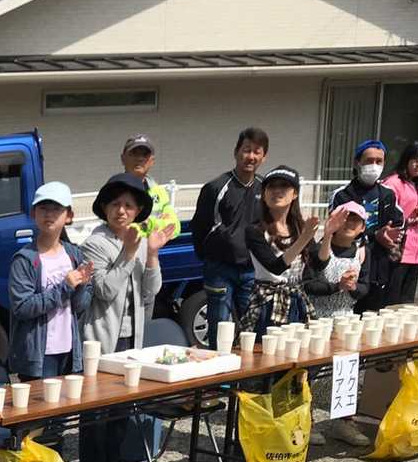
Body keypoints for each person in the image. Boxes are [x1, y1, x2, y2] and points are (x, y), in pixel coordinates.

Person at [80, 172, 171, 462]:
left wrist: (152, 254)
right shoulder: (94, 243)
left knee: (121, 410)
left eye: (129, 205)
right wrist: (129, 253)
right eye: (115, 204)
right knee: (96, 413)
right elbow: (104, 290)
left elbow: (151, 292)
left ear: (138, 211)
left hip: (133, 340)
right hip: (102, 341)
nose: (122, 210)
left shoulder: (142, 241)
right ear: (104, 208)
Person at [8, 180, 95, 462]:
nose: (49, 214)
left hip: (67, 352)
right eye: (43, 208)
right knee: (34, 428)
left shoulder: (74, 254)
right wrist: (66, 286)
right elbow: (23, 307)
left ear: (68, 216)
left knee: (59, 426)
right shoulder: (25, 259)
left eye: (56, 209)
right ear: (33, 214)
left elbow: (81, 308)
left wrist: (83, 286)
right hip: (36, 356)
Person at [191, 127, 268, 341]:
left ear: (264, 157)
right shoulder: (216, 187)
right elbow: (199, 228)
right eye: (246, 150)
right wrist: (210, 256)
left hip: (252, 270)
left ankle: (248, 364)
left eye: (257, 152)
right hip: (219, 269)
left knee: (252, 329)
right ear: (236, 152)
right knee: (219, 329)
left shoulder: (265, 188)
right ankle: (219, 361)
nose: (251, 156)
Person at [303, 201, 370, 447]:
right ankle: (306, 420)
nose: (349, 223)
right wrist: (336, 286)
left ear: (362, 227)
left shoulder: (362, 252)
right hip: (317, 317)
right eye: (345, 218)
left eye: (355, 220)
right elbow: (308, 284)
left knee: (348, 369)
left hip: (346, 318)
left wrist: (353, 288)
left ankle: (344, 422)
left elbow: (366, 287)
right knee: (312, 371)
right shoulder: (319, 248)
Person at [240, 167, 322, 338]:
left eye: (284, 186)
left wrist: (328, 234)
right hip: (267, 303)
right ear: (263, 194)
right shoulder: (254, 230)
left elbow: (319, 263)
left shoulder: (300, 227)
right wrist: (304, 238)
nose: (277, 191)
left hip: (297, 301)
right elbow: (275, 267)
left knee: (298, 351)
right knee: (264, 351)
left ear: (295, 194)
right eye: (271, 187)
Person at [327, 140, 404, 312]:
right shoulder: (342, 195)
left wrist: (391, 237)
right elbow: (335, 229)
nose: (374, 165)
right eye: (369, 160)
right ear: (357, 162)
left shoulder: (388, 194)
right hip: (348, 265)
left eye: (379, 161)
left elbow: (398, 222)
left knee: (375, 317)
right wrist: (374, 235)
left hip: (378, 266)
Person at [381, 141, 418, 305]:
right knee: (391, 301)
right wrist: (415, 219)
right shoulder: (393, 183)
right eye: (415, 159)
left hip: (416, 252)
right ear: (406, 159)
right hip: (397, 250)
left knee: (406, 303)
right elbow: (386, 218)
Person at [120, 135, 181, 244]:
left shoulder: (159, 191)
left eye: (145, 154)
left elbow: (174, 227)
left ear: (152, 161)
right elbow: (122, 230)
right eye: (134, 153)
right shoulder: (114, 191)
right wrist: (159, 225)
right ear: (123, 159)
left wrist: (147, 224)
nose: (140, 158)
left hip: (154, 252)